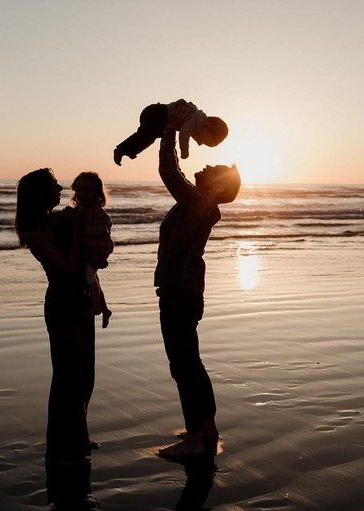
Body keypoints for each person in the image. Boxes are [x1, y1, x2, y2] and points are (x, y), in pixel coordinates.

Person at [154, 128, 241, 458]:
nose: (206, 167)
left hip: (179, 292)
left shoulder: (201, 202)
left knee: (183, 364)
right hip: (184, 292)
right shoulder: (199, 203)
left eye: (214, 169)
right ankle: (206, 428)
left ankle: (194, 439)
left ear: (217, 186)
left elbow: (168, 172)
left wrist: (169, 132)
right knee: (190, 362)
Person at [14, 168, 98, 463]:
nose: (61, 188)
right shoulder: (35, 233)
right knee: (66, 377)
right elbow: (69, 269)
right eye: (53, 185)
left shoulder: (58, 219)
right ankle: (62, 442)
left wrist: (100, 296)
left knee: (86, 372)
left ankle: (79, 432)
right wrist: (75, 232)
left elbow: (89, 259)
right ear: (40, 193)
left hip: (82, 300)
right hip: (62, 304)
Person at [64, 171, 114, 329]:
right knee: (93, 278)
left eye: (88, 191)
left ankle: (95, 308)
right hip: (87, 248)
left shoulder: (97, 212)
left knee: (88, 275)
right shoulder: (79, 209)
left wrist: (83, 228)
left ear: (97, 193)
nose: (83, 194)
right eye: (80, 190)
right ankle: (105, 309)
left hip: (98, 248)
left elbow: (102, 230)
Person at [114, 99, 229, 166]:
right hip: (158, 114)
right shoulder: (196, 119)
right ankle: (121, 150)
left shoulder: (197, 121)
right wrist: (185, 151)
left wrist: (198, 139)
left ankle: (130, 150)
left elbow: (190, 131)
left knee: (148, 138)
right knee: (146, 136)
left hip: (158, 116)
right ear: (208, 125)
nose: (202, 142)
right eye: (205, 140)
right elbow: (184, 133)